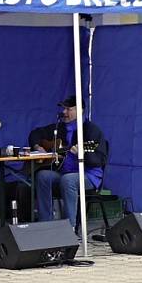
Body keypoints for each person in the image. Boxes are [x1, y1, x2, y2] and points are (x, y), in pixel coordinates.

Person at [35, 95, 107, 230]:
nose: (64, 112)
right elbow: (35, 134)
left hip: (89, 175)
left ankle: (70, 228)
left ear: (80, 110)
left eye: (69, 109)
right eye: (64, 109)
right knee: (43, 176)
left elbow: (99, 160)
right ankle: (45, 224)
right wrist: (38, 147)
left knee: (68, 180)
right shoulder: (60, 127)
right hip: (65, 172)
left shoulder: (91, 130)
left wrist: (83, 153)